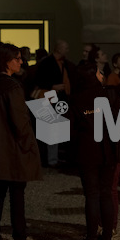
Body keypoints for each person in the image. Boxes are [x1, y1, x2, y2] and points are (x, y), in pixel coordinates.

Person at [0, 44, 42, 240]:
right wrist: (28, 143)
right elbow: (19, 120)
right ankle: (19, 238)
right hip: (14, 147)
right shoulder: (13, 87)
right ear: (6, 62)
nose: (21, 61)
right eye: (17, 58)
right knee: (17, 193)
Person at [70, 63, 119, 240]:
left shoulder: (76, 98)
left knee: (91, 194)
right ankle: (106, 237)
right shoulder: (109, 94)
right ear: (92, 75)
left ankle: (90, 238)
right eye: (99, 72)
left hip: (87, 150)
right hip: (108, 150)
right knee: (106, 192)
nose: (102, 74)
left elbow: (71, 128)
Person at [35, 39, 74, 167]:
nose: (67, 50)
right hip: (52, 98)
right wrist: (52, 86)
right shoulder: (49, 63)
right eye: (66, 48)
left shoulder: (60, 63)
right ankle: (51, 159)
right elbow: (39, 80)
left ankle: (52, 158)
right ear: (59, 49)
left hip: (58, 98)